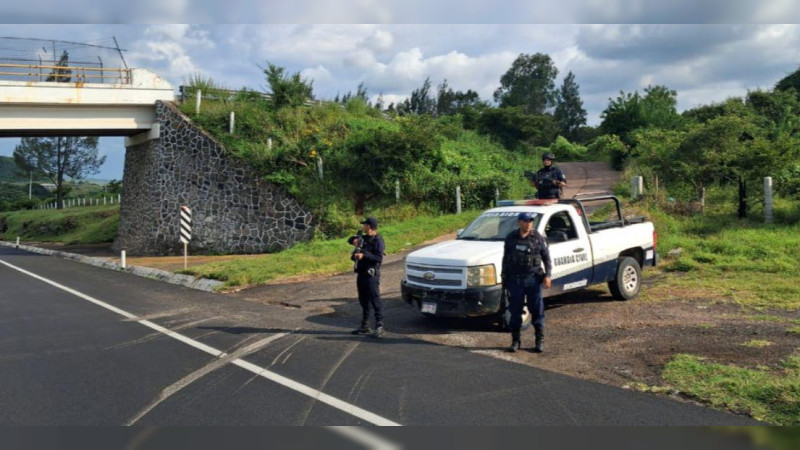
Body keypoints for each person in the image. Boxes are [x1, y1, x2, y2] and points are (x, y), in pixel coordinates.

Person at [501, 212, 553, 353]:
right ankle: (516, 341)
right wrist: (504, 277)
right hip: (515, 280)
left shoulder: (538, 238)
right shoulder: (511, 238)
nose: (529, 223)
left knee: (537, 310)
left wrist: (548, 276)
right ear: (519, 222)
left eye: (531, 221)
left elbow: (547, 259)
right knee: (515, 311)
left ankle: (539, 340)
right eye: (526, 221)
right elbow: (505, 259)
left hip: (533, 280)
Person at [347, 217, 386, 338]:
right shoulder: (362, 238)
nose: (363, 227)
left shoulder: (378, 240)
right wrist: (354, 240)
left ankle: (379, 325)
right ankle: (365, 326)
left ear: (369, 226)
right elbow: (349, 240)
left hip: (371, 274)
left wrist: (364, 255)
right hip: (361, 273)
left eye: (365, 225)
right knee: (363, 300)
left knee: (374, 299)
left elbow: (378, 258)